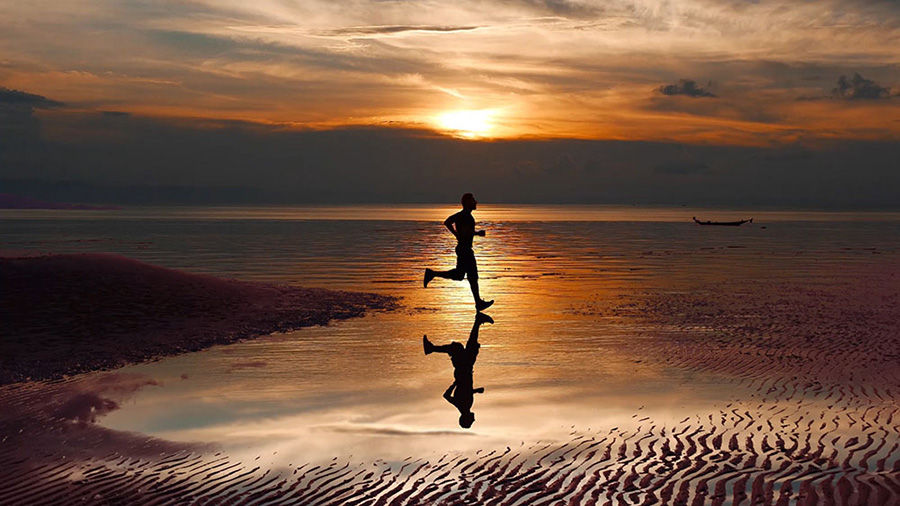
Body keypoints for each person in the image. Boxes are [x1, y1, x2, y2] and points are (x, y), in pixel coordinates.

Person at [424, 193, 493, 311]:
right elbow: (464, 231)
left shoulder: (462, 215)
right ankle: (478, 303)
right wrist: (477, 233)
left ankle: (432, 274)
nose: (476, 202)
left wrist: (456, 234)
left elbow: (447, 222)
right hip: (465, 250)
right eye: (473, 201)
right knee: (472, 276)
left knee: (460, 275)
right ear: (467, 203)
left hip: (463, 248)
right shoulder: (466, 216)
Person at [423, 312, 493, 428]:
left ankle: (431, 348)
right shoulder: (464, 406)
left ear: (466, 419)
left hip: (464, 369)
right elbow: (465, 391)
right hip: (465, 370)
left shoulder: (463, 406)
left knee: (460, 347)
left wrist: (455, 384)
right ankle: (478, 321)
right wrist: (475, 391)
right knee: (466, 346)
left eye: (471, 421)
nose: (474, 419)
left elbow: (446, 395)